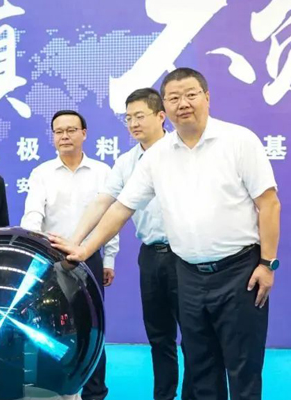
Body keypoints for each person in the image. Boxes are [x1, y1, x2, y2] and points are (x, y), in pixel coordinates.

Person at [52, 68, 280, 400]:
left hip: (239, 273)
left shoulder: (239, 140)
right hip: (187, 274)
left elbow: (269, 203)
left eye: (190, 95)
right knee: (201, 367)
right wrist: (84, 249)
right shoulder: (157, 156)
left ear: (206, 97)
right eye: (174, 97)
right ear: (166, 107)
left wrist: (267, 263)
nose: (182, 103)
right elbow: (120, 207)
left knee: (243, 366)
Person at [69, 88, 190, 400]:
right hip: (151, 256)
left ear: (161, 116)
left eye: (140, 116)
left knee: (194, 336)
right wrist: (75, 241)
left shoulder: (183, 151)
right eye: (128, 118)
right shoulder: (126, 162)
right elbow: (104, 203)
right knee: (159, 336)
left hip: (186, 255)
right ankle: (164, 396)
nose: (133, 123)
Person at [20, 110, 119, 400]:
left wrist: (109, 259)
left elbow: (110, 219)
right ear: (53, 136)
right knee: (47, 327)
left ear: (84, 133)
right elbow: (33, 213)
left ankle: (94, 392)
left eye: (71, 130)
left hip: (89, 259)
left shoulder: (102, 172)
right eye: (58, 131)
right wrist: (32, 246)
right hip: (52, 261)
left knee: (92, 328)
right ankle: (51, 391)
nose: (65, 136)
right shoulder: (41, 173)